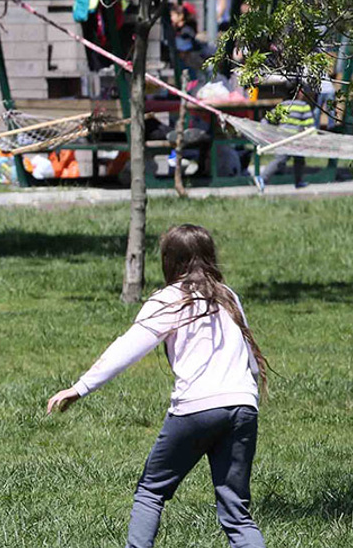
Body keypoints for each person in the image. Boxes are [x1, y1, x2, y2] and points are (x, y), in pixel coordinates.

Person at [47, 224, 267, 548]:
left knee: (151, 491)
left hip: (196, 409)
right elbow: (249, 357)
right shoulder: (228, 296)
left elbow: (128, 347)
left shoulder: (169, 299)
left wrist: (79, 388)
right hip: (244, 407)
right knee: (237, 512)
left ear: (170, 260)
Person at [256, 89, 315, 192]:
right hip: (296, 139)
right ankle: (262, 177)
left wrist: (262, 128)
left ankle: (298, 181)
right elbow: (309, 124)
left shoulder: (283, 105)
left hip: (282, 138)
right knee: (288, 161)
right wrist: (315, 137)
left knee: (289, 160)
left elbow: (268, 118)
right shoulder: (303, 106)